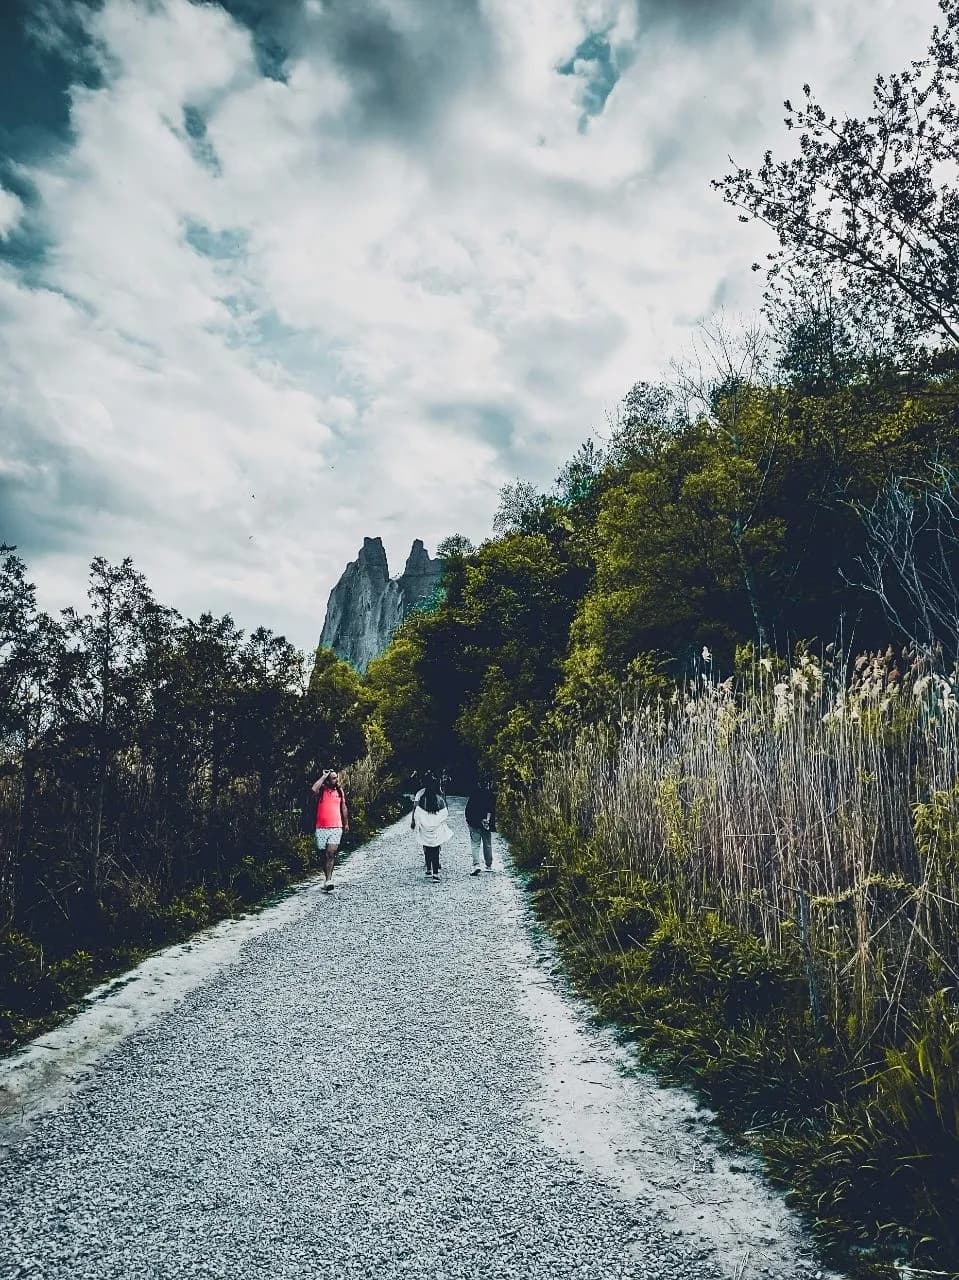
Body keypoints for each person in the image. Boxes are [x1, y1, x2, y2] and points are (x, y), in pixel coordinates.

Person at [311, 768, 349, 892]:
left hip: (336, 826)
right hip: (321, 827)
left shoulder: (339, 790)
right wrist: (323, 776)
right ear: (327, 780)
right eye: (333, 778)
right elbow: (313, 789)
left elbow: (343, 807)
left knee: (331, 853)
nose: (336, 779)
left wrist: (346, 823)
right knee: (323, 855)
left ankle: (329, 880)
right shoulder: (322, 790)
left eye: (336, 777)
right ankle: (326, 878)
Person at [410, 777, 454, 881]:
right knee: (435, 850)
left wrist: (417, 822)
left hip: (425, 829)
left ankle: (428, 869)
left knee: (427, 848)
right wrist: (438, 822)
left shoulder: (422, 799)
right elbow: (445, 813)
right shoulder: (439, 799)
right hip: (436, 829)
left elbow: (417, 812)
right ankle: (435, 874)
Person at [465, 777, 496, 875]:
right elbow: (491, 810)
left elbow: (468, 810)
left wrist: (469, 821)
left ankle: (476, 865)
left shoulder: (474, 794)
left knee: (475, 845)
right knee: (487, 844)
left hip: (474, 823)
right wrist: (487, 821)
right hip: (486, 824)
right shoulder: (490, 795)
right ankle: (489, 865)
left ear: (478, 784)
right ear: (487, 784)